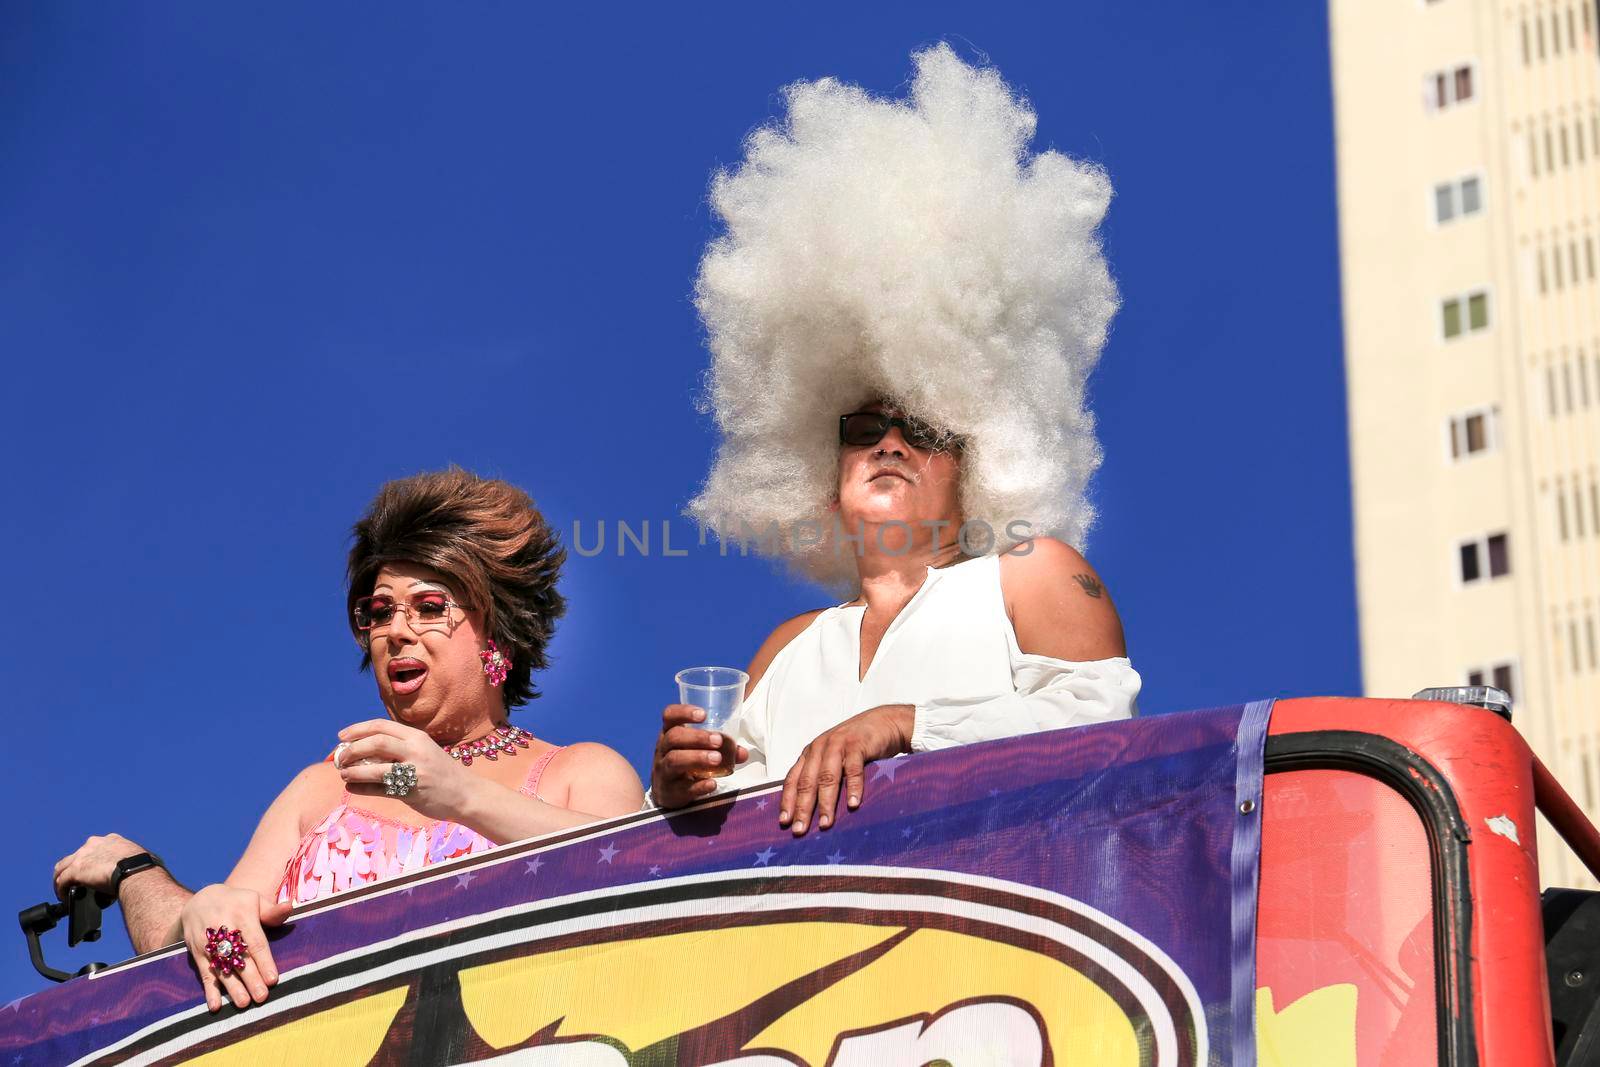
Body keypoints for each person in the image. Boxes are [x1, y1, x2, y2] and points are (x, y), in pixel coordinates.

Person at [651, 45, 1140, 828]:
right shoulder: (788, 646)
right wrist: (679, 791)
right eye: (865, 427)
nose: (890, 443)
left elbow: (1111, 738)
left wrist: (909, 721)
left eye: (923, 427)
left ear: (980, 457)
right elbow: (723, 820)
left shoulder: (1029, 573)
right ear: (822, 468)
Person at [51, 469, 644, 1012]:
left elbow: (640, 883)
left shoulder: (581, 772)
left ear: (500, 638)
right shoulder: (320, 790)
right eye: (378, 612)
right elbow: (193, 952)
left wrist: (459, 795)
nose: (396, 631)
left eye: (429, 607)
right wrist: (158, 883)